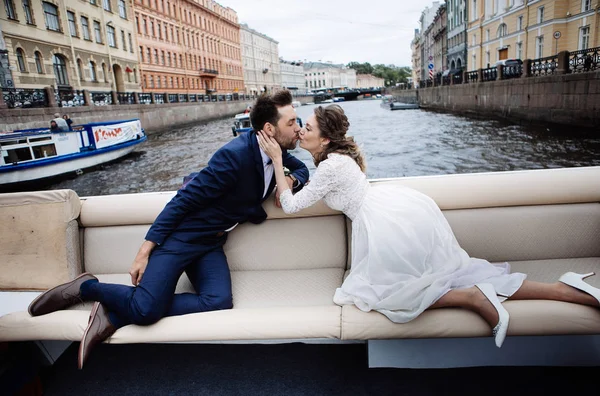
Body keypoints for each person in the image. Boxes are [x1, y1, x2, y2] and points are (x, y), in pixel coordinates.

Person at [258, 104, 600, 348]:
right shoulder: (338, 160)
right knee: (459, 271)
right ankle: (564, 290)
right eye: (301, 125)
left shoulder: (331, 166)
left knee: (382, 297)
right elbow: (316, 186)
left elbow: (289, 205)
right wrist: (292, 173)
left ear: (326, 139)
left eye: (309, 128)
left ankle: (471, 299)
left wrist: (276, 160)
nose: (301, 130)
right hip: (395, 215)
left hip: (384, 229)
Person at [28, 90, 309, 369]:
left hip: (211, 241)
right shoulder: (233, 157)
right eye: (292, 122)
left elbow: (303, 170)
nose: (298, 129)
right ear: (269, 129)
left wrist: (291, 178)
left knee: (218, 301)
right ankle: (87, 288)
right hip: (183, 236)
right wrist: (144, 251)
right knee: (146, 310)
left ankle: (114, 317)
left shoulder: (276, 151)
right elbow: (183, 201)